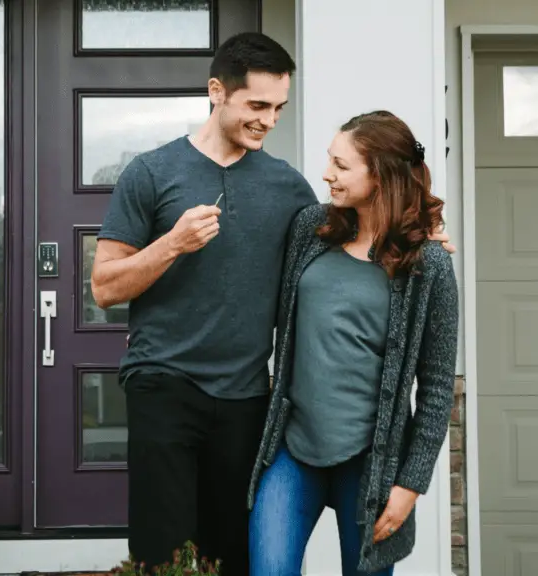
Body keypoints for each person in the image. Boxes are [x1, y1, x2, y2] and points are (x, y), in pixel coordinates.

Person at [91, 33, 453, 575]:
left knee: (235, 555)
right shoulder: (151, 172)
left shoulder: (292, 193)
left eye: (279, 107)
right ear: (217, 92)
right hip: (163, 384)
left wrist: (426, 235)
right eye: (257, 105)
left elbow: (357, 232)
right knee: (162, 556)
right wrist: (173, 244)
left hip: (247, 401)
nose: (269, 119)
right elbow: (103, 287)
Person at [246, 110, 460, 576]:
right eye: (330, 160)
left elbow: (438, 387)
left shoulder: (429, 266)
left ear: (380, 175)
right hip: (292, 447)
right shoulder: (311, 230)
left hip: (372, 461)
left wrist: (410, 485)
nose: (327, 174)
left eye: (341, 166)